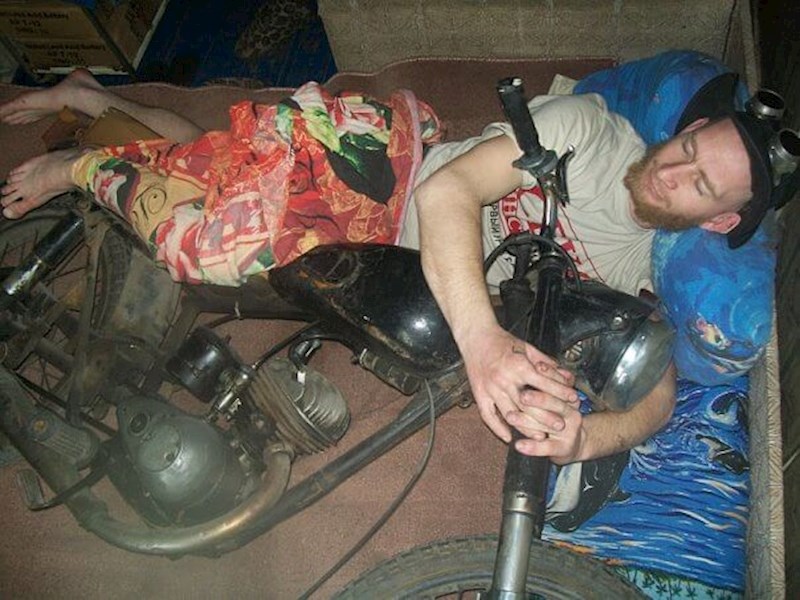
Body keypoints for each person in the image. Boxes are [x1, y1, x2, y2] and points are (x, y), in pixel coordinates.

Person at [0, 67, 773, 466]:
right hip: (385, 171)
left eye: (701, 184)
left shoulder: (646, 273)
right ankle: (78, 167)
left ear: (719, 220)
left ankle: (91, 98)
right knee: (211, 248)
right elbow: (446, 195)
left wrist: (585, 442)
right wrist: (483, 343)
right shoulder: (592, 133)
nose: (674, 170)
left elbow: (659, 394)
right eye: (689, 146)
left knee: (213, 170)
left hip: (388, 264)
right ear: (689, 127)